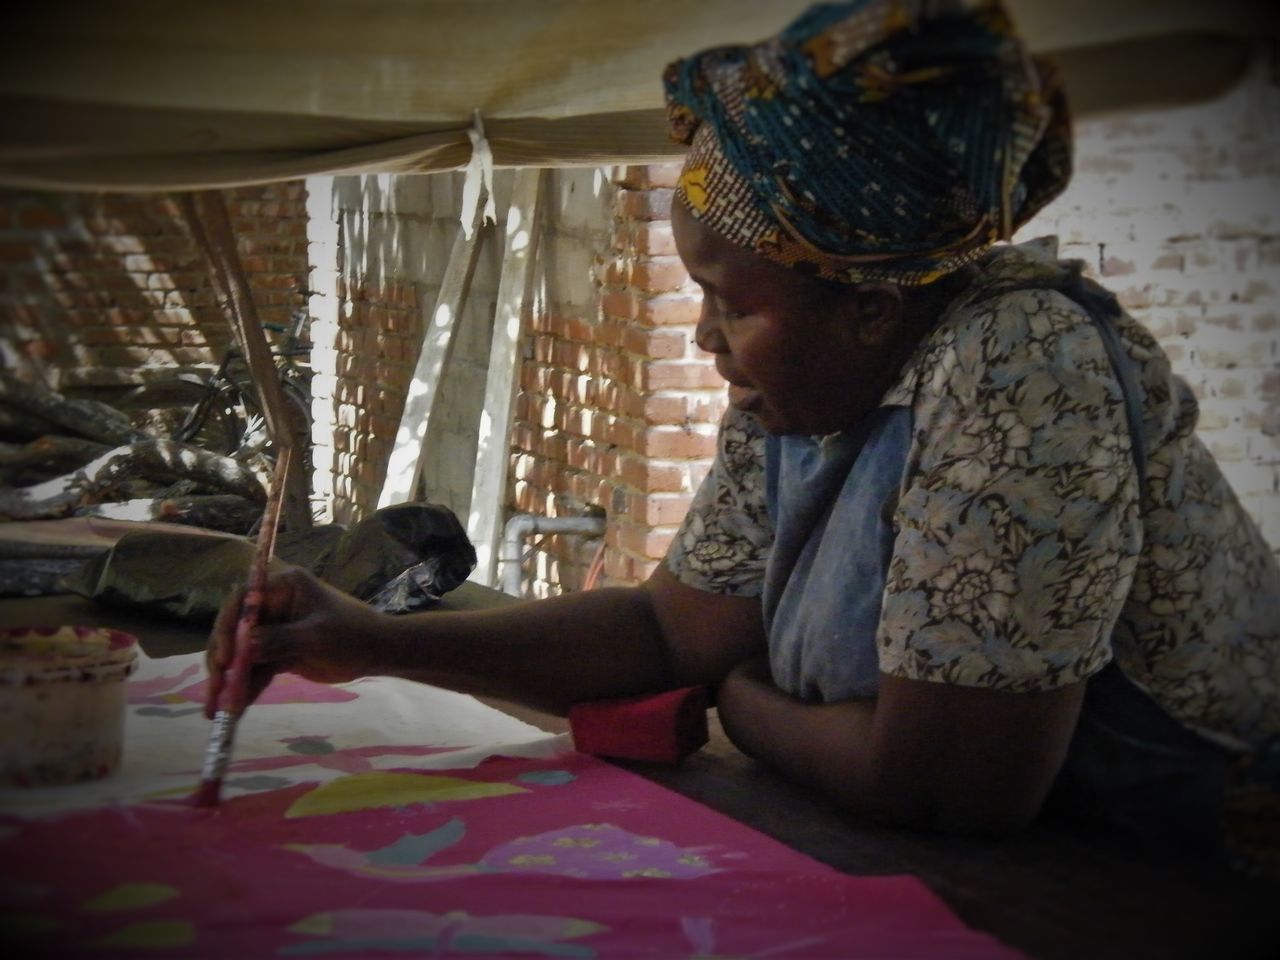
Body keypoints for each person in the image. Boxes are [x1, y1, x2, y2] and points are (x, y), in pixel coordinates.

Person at [207, 0, 1279, 866]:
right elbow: (669, 636)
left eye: (733, 303)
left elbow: (943, 790)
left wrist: (739, 700)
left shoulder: (1019, 367)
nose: (705, 337)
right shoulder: (803, 393)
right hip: (1005, 876)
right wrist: (363, 642)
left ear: (866, 300)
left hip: (1184, 879)